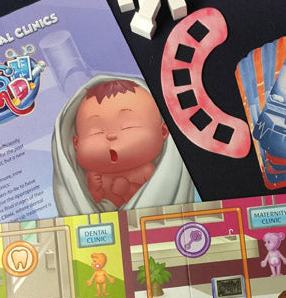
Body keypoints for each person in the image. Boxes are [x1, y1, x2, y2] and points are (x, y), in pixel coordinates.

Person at [52, 74, 195, 215]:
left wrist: (128, 189)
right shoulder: (96, 176)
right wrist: (95, 188)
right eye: (97, 131)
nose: (111, 135)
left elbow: (157, 191)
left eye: (127, 126)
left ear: (163, 131)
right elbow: (93, 201)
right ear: (76, 143)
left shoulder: (147, 171)